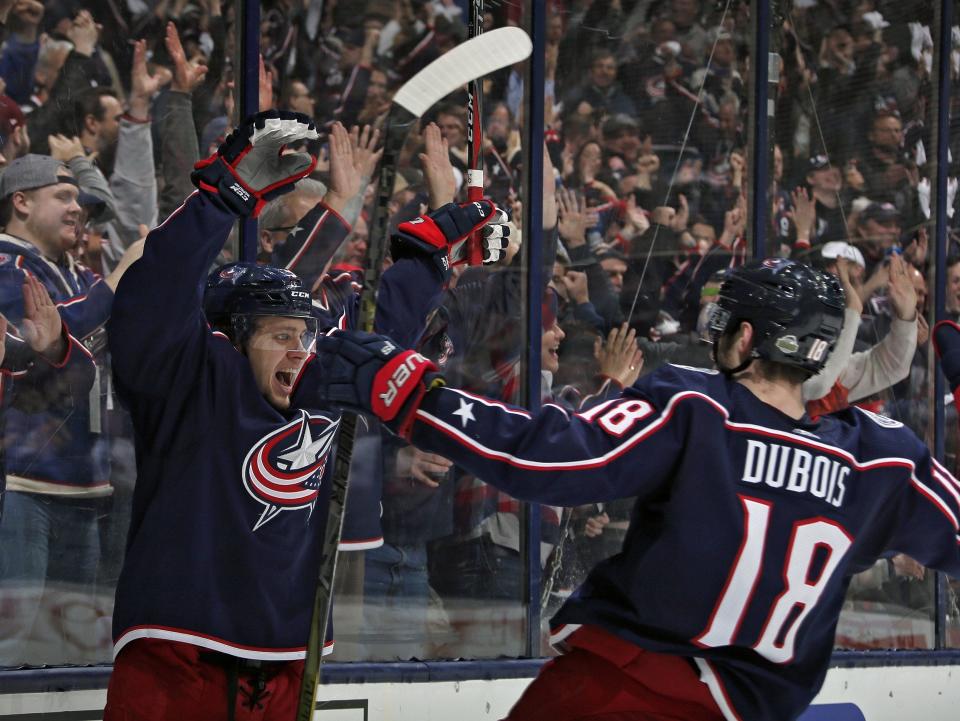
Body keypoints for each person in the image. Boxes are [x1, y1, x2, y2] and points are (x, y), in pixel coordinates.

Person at [311, 257, 960, 721]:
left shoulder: (698, 410)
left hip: (623, 693)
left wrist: (409, 391)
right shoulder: (879, 460)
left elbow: (550, 459)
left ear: (743, 339)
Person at [102, 110, 505, 719]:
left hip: (287, 657)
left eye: (306, 335)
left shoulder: (320, 380)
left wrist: (432, 257)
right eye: (280, 335)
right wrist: (220, 201)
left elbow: (383, 325)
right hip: (178, 656)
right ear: (229, 339)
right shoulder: (192, 380)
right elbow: (151, 299)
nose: (301, 350)